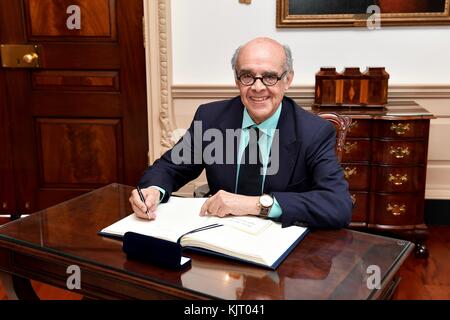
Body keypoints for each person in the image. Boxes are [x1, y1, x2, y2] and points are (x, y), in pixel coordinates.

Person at [129, 37, 352, 229]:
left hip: (279, 245)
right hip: (219, 238)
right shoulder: (211, 118)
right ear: (237, 80)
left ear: (288, 80)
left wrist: (256, 204)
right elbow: (170, 167)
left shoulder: (313, 131)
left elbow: (337, 205)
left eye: (270, 77)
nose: (257, 87)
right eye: (247, 76)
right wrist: (153, 191)